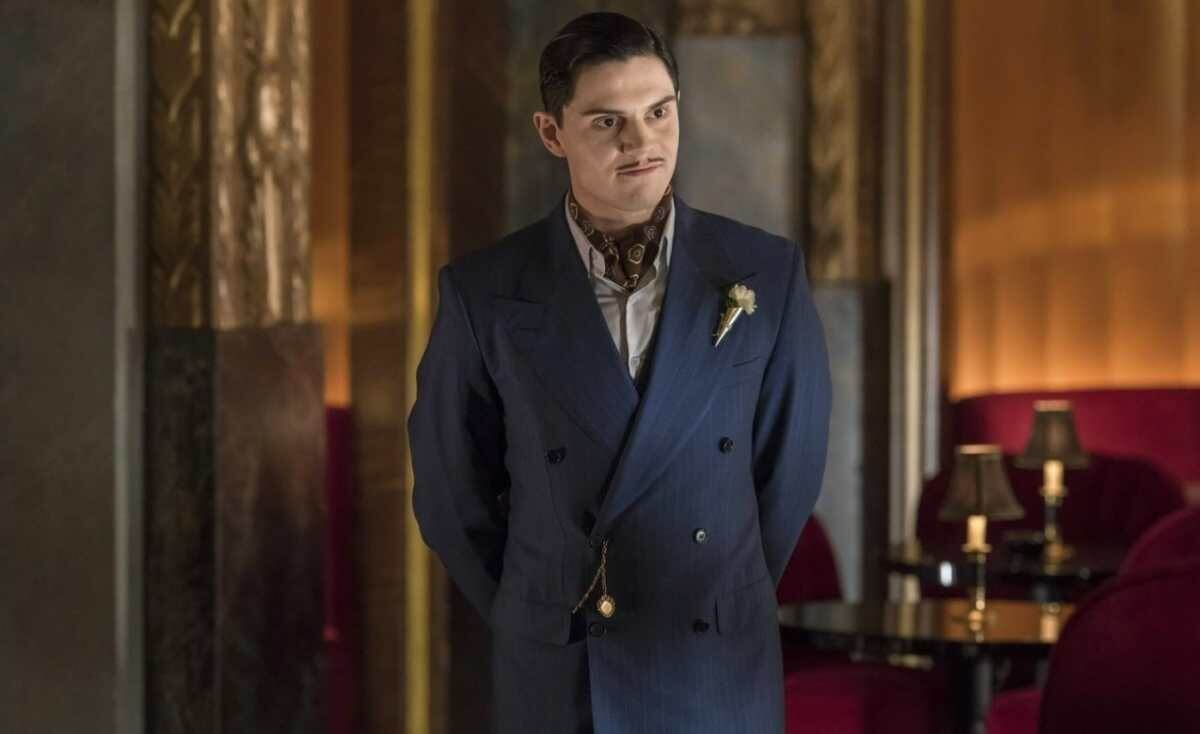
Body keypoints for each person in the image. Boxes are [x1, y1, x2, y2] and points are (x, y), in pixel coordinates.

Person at [409, 11, 832, 733]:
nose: (642, 143)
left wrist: (718, 592)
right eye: (608, 122)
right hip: (565, 670)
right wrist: (542, 603)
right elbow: (452, 494)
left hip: (712, 663)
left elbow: (789, 472)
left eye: (658, 112)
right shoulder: (484, 293)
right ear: (552, 133)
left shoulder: (765, 271)